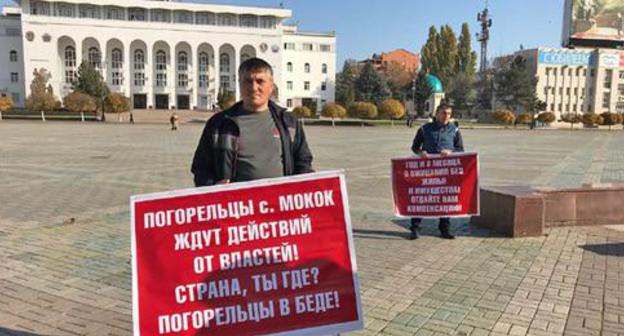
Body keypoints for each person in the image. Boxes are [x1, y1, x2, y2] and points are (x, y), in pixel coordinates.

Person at [191, 57, 313, 186]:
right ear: (240, 84)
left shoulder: (289, 122)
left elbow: (303, 162)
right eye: (248, 81)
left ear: (271, 86)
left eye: (260, 81)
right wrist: (214, 187)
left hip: (279, 202)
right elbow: (201, 168)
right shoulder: (219, 124)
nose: (254, 87)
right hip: (236, 204)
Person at [409, 103, 464, 240]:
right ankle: (415, 228)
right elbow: (415, 147)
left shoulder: (455, 130)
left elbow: (460, 149)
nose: (446, 116)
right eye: (444, 113)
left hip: (446, 170)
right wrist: (421, 152)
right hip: (427, 169)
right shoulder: (425, 129)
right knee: (422, 197)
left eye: (449, 114)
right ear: (437, 113)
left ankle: (444, 229)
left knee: (445, 199)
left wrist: (451, 152)